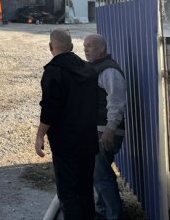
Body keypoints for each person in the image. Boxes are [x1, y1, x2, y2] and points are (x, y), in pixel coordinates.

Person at [36, 29, 99, 219]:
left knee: (68, 193)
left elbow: (49, 109)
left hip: (66, 144)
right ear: (72, 47)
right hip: (88, 139)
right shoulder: (89, 69)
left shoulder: (53, 72)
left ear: (50, 47)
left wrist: (39, 136)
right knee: (86, 189)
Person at [84, 33, 127, 220]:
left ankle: (114, 215)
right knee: (98, 174)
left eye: (91, 46)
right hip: (99, 129)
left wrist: (110, 129)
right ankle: (103, 212)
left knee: (101, 176)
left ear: (102, 48)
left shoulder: (110, 71)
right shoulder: (96, 68)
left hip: (106, 131)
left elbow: (116, 101)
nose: (86, 49)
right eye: (85, 45)